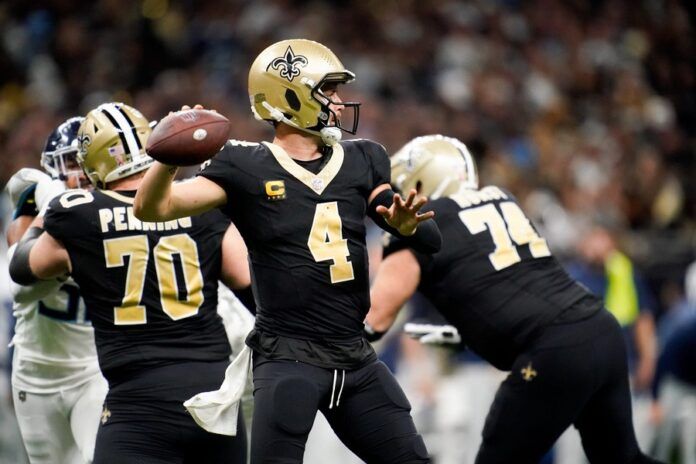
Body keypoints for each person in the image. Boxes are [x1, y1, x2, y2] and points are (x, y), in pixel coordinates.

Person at [133, 39, 438, 463]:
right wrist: (166, 158)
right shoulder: (245, 164)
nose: (338, 102)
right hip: (289, 357)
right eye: (327, 91)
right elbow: (154, 208)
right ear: (290, 96)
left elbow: (427, 236)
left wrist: (404, 228)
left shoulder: (362, 158)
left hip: (356, 359)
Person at [365, 134, 663, 464]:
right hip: (600, 331)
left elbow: (373, 319)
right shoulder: (502, 197)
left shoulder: (423, 222)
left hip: (551, 350)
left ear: (418, 182)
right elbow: (505, 288)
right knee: (623, 459)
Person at [10, 102, 249, 464]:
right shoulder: (203, 202)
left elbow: (22, 266)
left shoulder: (76, 211)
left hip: (138, 401)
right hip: (212, 391)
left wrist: (45, 208)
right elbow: (250, 284)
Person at [5, 117, 108, 464]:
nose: (82, 170)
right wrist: (51, 204)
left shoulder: (117, 204)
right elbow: (20, 275)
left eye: (87, 158)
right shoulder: (38, 202)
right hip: (36, 371)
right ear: (54, 167)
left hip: (97, 367)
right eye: (73, 161)